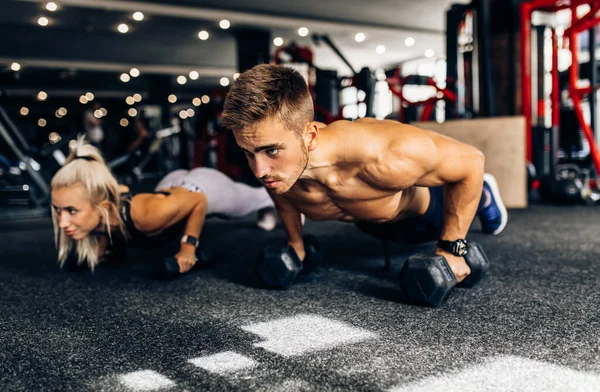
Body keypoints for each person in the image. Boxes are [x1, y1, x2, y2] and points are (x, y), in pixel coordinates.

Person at [222, 64, 508, 283]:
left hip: (425, 216)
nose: (259, 171)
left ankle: (483, 195)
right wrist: (296, 244)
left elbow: (472, 159)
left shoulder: (386, 152)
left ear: (310, 136)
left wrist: (452, 248)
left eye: (271, 151)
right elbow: (283, 199)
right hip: (370, 221)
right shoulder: (280, 172)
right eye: (248, 152)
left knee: (465, 177)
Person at [50, 137, 277, 274]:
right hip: (169, 186)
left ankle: (272, 201)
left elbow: (199, 201)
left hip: (202, 188)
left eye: (71, 211)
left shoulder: (147, 217)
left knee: (245, 204)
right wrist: (100, 251)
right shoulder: (105, 214)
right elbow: (121, 196)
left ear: (104, 206)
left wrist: (188, 248)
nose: (62, 222)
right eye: (58, 210)